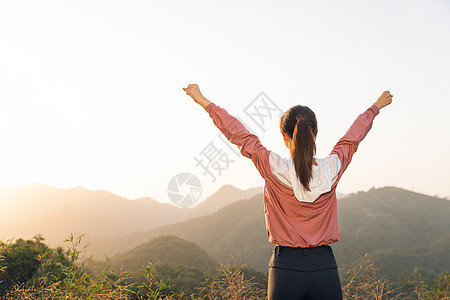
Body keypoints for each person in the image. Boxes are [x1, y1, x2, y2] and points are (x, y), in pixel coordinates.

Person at [183, 84, 393, 300]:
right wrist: (375, 107)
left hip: (286, 268)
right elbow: (351, 139)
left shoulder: (272, 167)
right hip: (324, 267)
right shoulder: (333, 168)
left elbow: (240, 135)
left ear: (284, 136)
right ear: (315, 135)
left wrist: (203, 101)